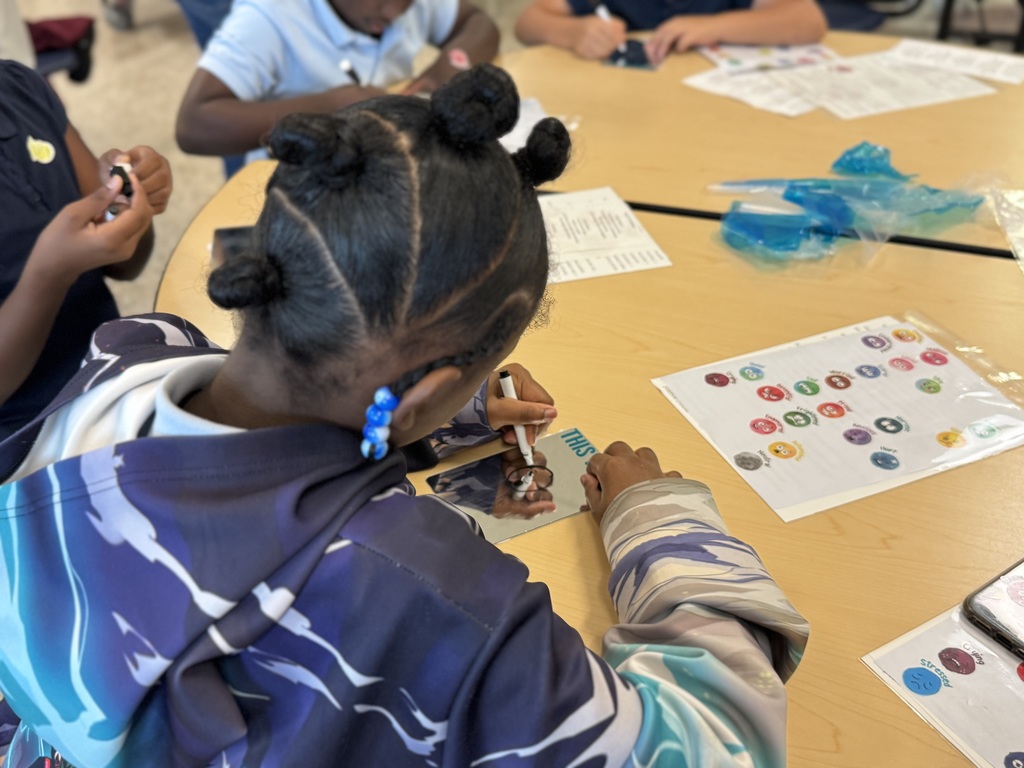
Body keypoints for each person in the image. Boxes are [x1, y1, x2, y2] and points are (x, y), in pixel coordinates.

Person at [0, 65, 807, 767]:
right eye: (472, 380)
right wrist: (656, 519)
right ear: (423, 388)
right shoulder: (422, 594)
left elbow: (254, 439)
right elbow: (716, 745)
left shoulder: (127, 351)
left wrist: (446, 423)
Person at [0, 60, 173, 440]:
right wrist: (49, 274)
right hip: (23, 439)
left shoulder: (19, 88)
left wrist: (127, 204)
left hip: (112, 378)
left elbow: (123, 263)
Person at [175, 0, 500, 166]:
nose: (396, 13)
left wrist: (443, 74)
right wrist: (328, 107)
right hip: (297, 179)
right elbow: (194, 125)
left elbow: (479, 23)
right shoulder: (268, 16)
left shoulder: (402, 5)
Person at [515, 0, 827, 65]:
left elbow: (808, 19)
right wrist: (573, 31)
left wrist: (714, 26)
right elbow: (528, 23)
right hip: (628, 111)